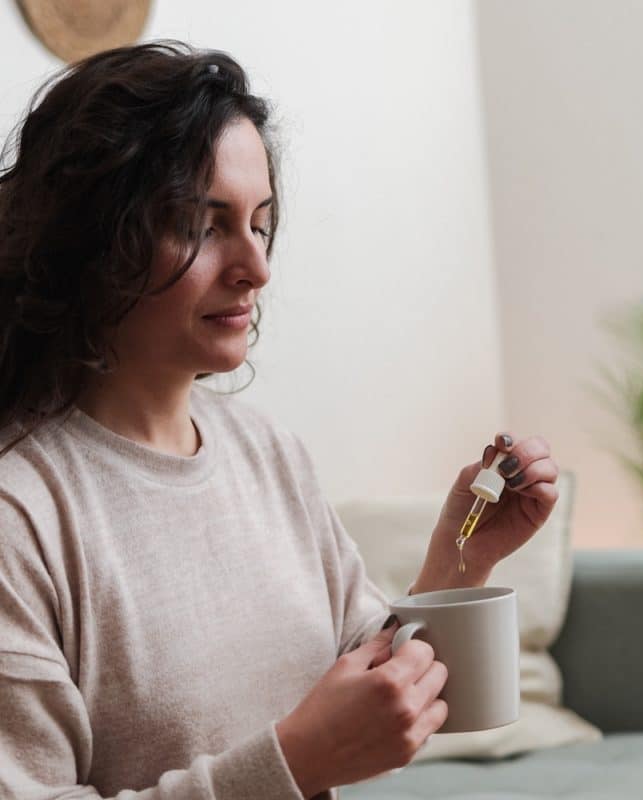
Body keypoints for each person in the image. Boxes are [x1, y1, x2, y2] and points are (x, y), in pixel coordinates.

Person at [0, 41, 560, 800]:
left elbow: (371, 682)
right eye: (204, 225)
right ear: (94, 241)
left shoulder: (264, 450)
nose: (256, 267)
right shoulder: (21, 512)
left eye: (259, 223)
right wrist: (292, 765)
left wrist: (460, 561)